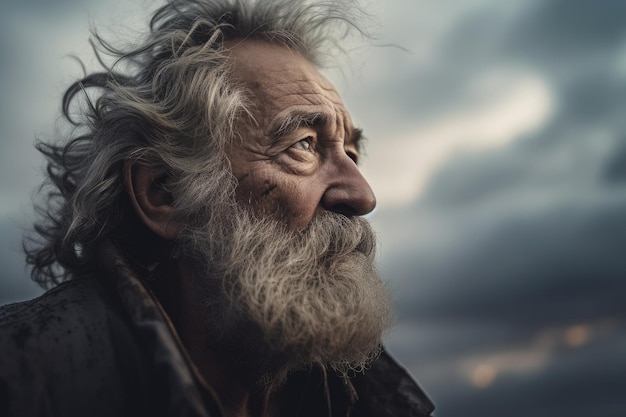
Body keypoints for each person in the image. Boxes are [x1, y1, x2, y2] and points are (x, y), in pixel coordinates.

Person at [0, 0, 434, 416]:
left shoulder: (357, 398)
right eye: (303, 145)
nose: (362, 195)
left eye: (352, 155)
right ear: (165, 193)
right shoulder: (20, 377)